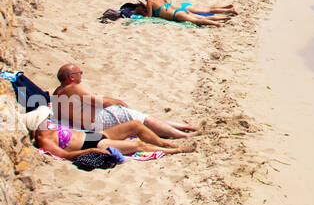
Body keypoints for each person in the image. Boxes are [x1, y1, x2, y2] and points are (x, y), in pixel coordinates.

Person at [52, 64, 197, 139]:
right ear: (71, 77)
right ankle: (184, 134)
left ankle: (185, 126)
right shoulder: (73, 88)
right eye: (79, 73)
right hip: (100, 119)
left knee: (141, 116)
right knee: (145, 120)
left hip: (88, 124)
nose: (81, 75)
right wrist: (117, 101)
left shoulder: (57, 93)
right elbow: (98, 102)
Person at [25, 106, 194, 159]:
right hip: (95, 143)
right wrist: (89, 151)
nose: (48, 120)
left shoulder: (51, 128)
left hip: (96, 135)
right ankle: (175, 150)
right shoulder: (44, 140)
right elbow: (65, 155)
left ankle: (167, 143)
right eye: (45, 119)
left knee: (135, 125)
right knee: (138, 145)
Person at [138, 0, 235, 27]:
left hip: (176, 14)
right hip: (179, 9)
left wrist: (141, 10)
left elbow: (149, 16)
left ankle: (218, 24)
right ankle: (224, 17)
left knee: (198, 20)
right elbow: (169, 4)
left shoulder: (150, 1)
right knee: (202, 16)